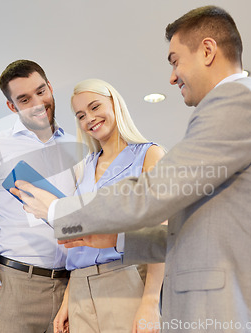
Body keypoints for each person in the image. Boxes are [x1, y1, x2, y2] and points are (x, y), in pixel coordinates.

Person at [13, 6, 251, 333]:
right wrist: (117, 239)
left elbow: (153, 191)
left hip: (239, 311)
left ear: (207, 50)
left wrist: (57, 210)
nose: (172, 76)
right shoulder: (239, 105)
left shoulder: (238, 102)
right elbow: (189, 229)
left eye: (175, 60)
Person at [0, 60, 76, 333]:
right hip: (17, 287)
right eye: (24, 98)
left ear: (51, 88)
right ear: (12, 106)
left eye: (41, 91)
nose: (38, 102)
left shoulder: (76, 147)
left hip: (72, 287)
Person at [52, 79, 165, 333]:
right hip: (80, 287)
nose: (89, 118)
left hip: (124, 281)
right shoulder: (84, 168)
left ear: (115, 104)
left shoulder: (149, 155)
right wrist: (67, 301)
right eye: (81, 115)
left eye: (94, 107)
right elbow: (77, 245)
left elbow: (160, 234)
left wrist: (150, 302)